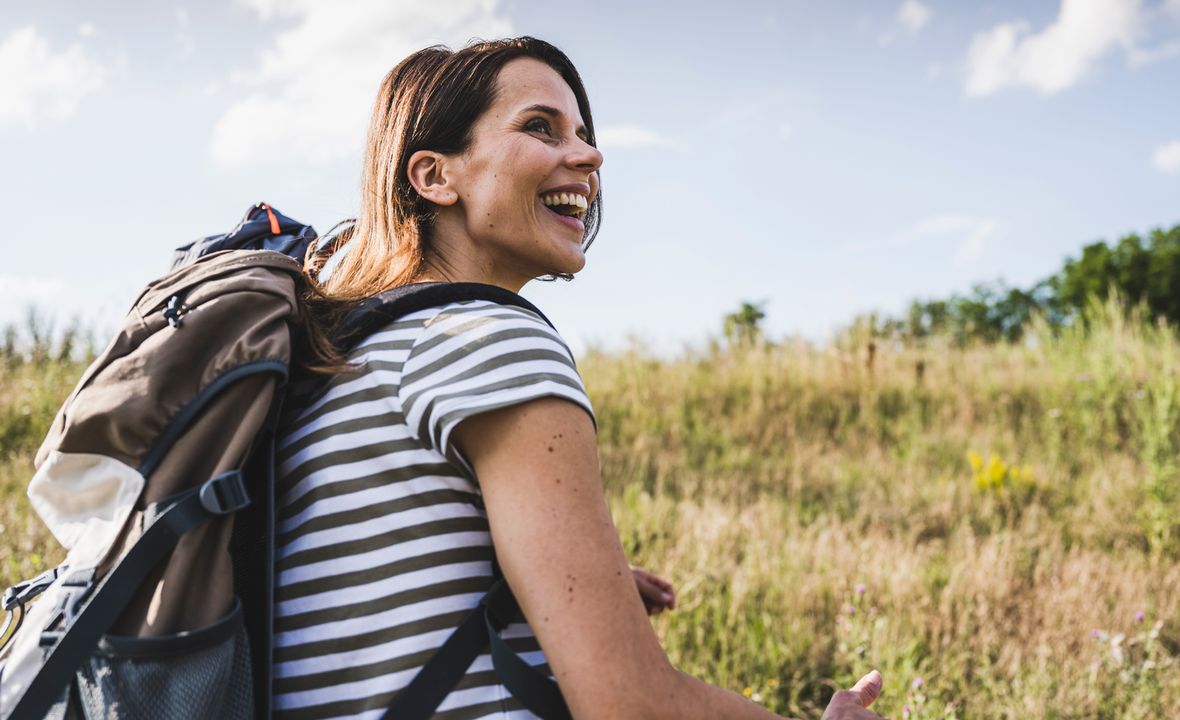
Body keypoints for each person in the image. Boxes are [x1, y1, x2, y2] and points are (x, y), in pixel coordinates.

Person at [275, 37, 887, 720]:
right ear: (434, 177)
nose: (590, 156)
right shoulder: (491, 342)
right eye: (541, 126)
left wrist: (535, 586)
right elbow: (631, 707)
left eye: (585, 135)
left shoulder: (337, 359)